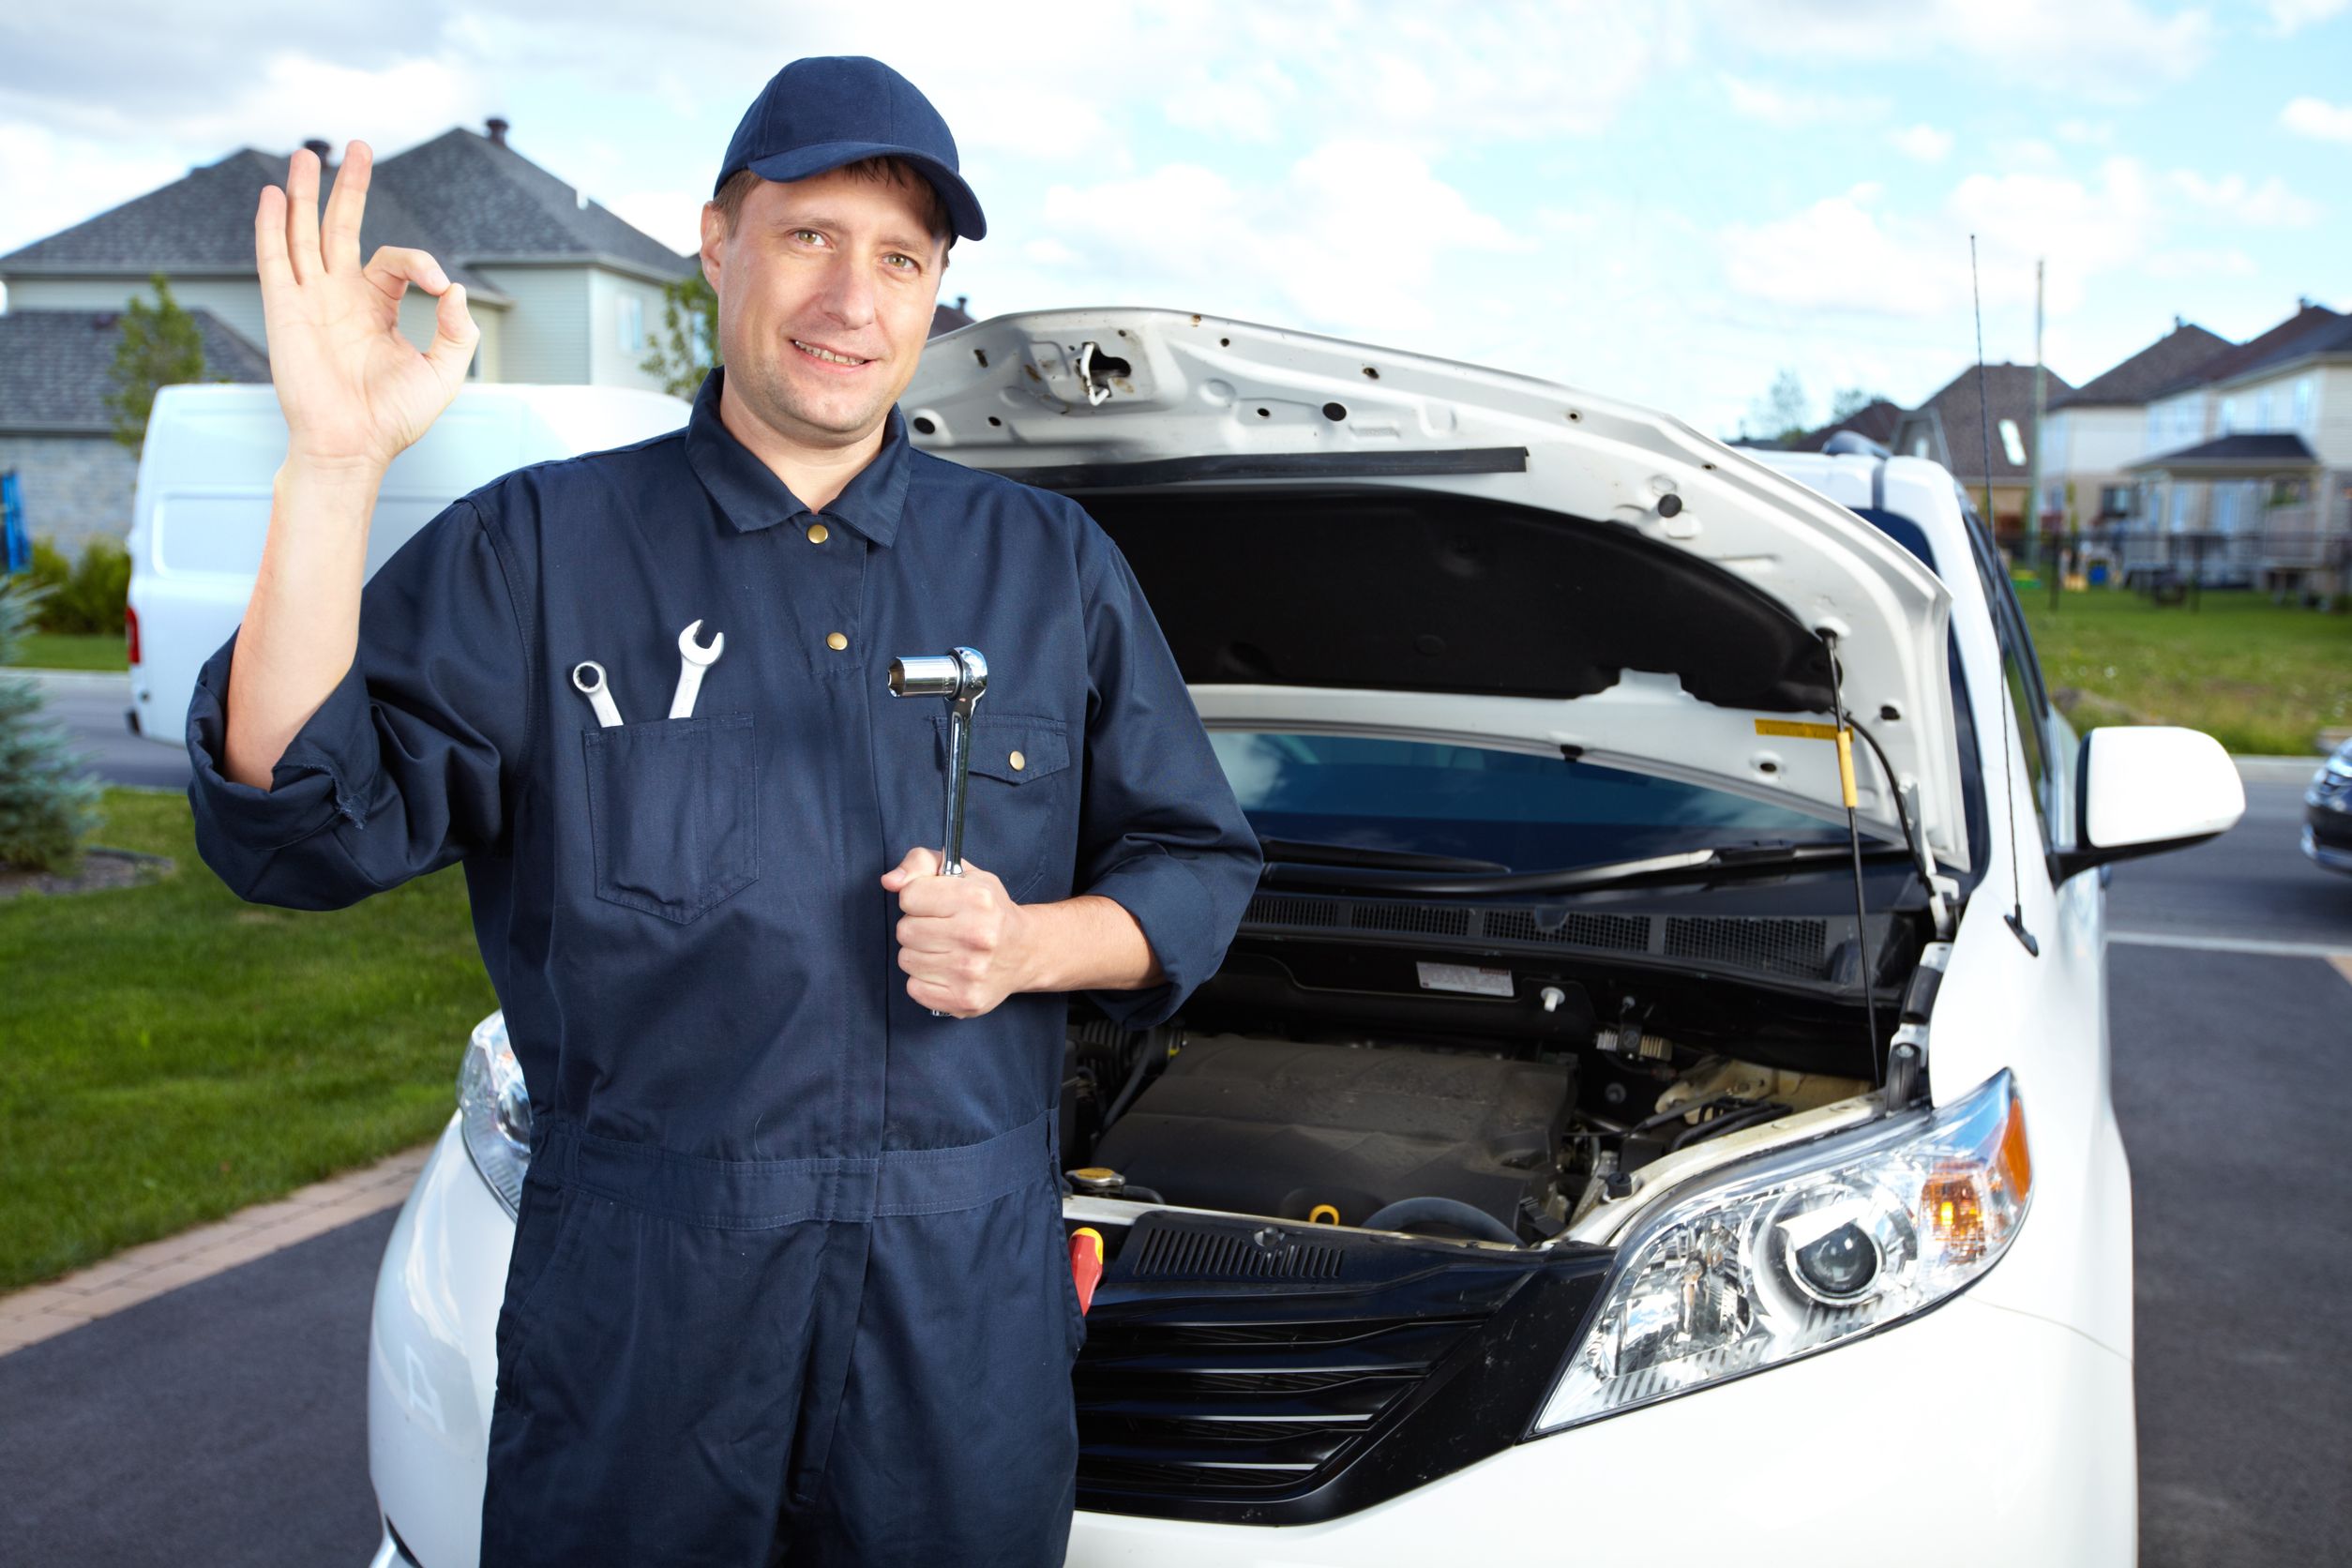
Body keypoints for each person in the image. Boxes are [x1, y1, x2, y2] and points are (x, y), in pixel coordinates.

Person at [185, 55, 1260, 1566]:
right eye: (810, 235)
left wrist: (1034, 943)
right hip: (643, 1318)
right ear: (716, 240)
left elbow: (1196, 866)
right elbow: (294, 827)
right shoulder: (543, 551)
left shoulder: (1050, 567)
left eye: (901, 258)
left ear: (936, 289)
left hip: (957, 1330)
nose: (854, 300)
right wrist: (334, 461)